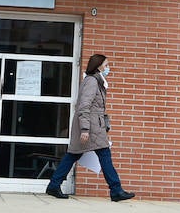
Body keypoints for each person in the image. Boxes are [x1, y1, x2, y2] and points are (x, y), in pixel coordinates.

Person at [45, 53, 135, 202]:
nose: (108, 68)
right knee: (103, 154)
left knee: (74, 154)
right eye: (106, 65)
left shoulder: (96, 81)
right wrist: (85, 130)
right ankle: (116, 190)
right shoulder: (92, 82)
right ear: (99, 66)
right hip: (91, 127)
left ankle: (54, 184)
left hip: (94, 126)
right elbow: (84, 106)